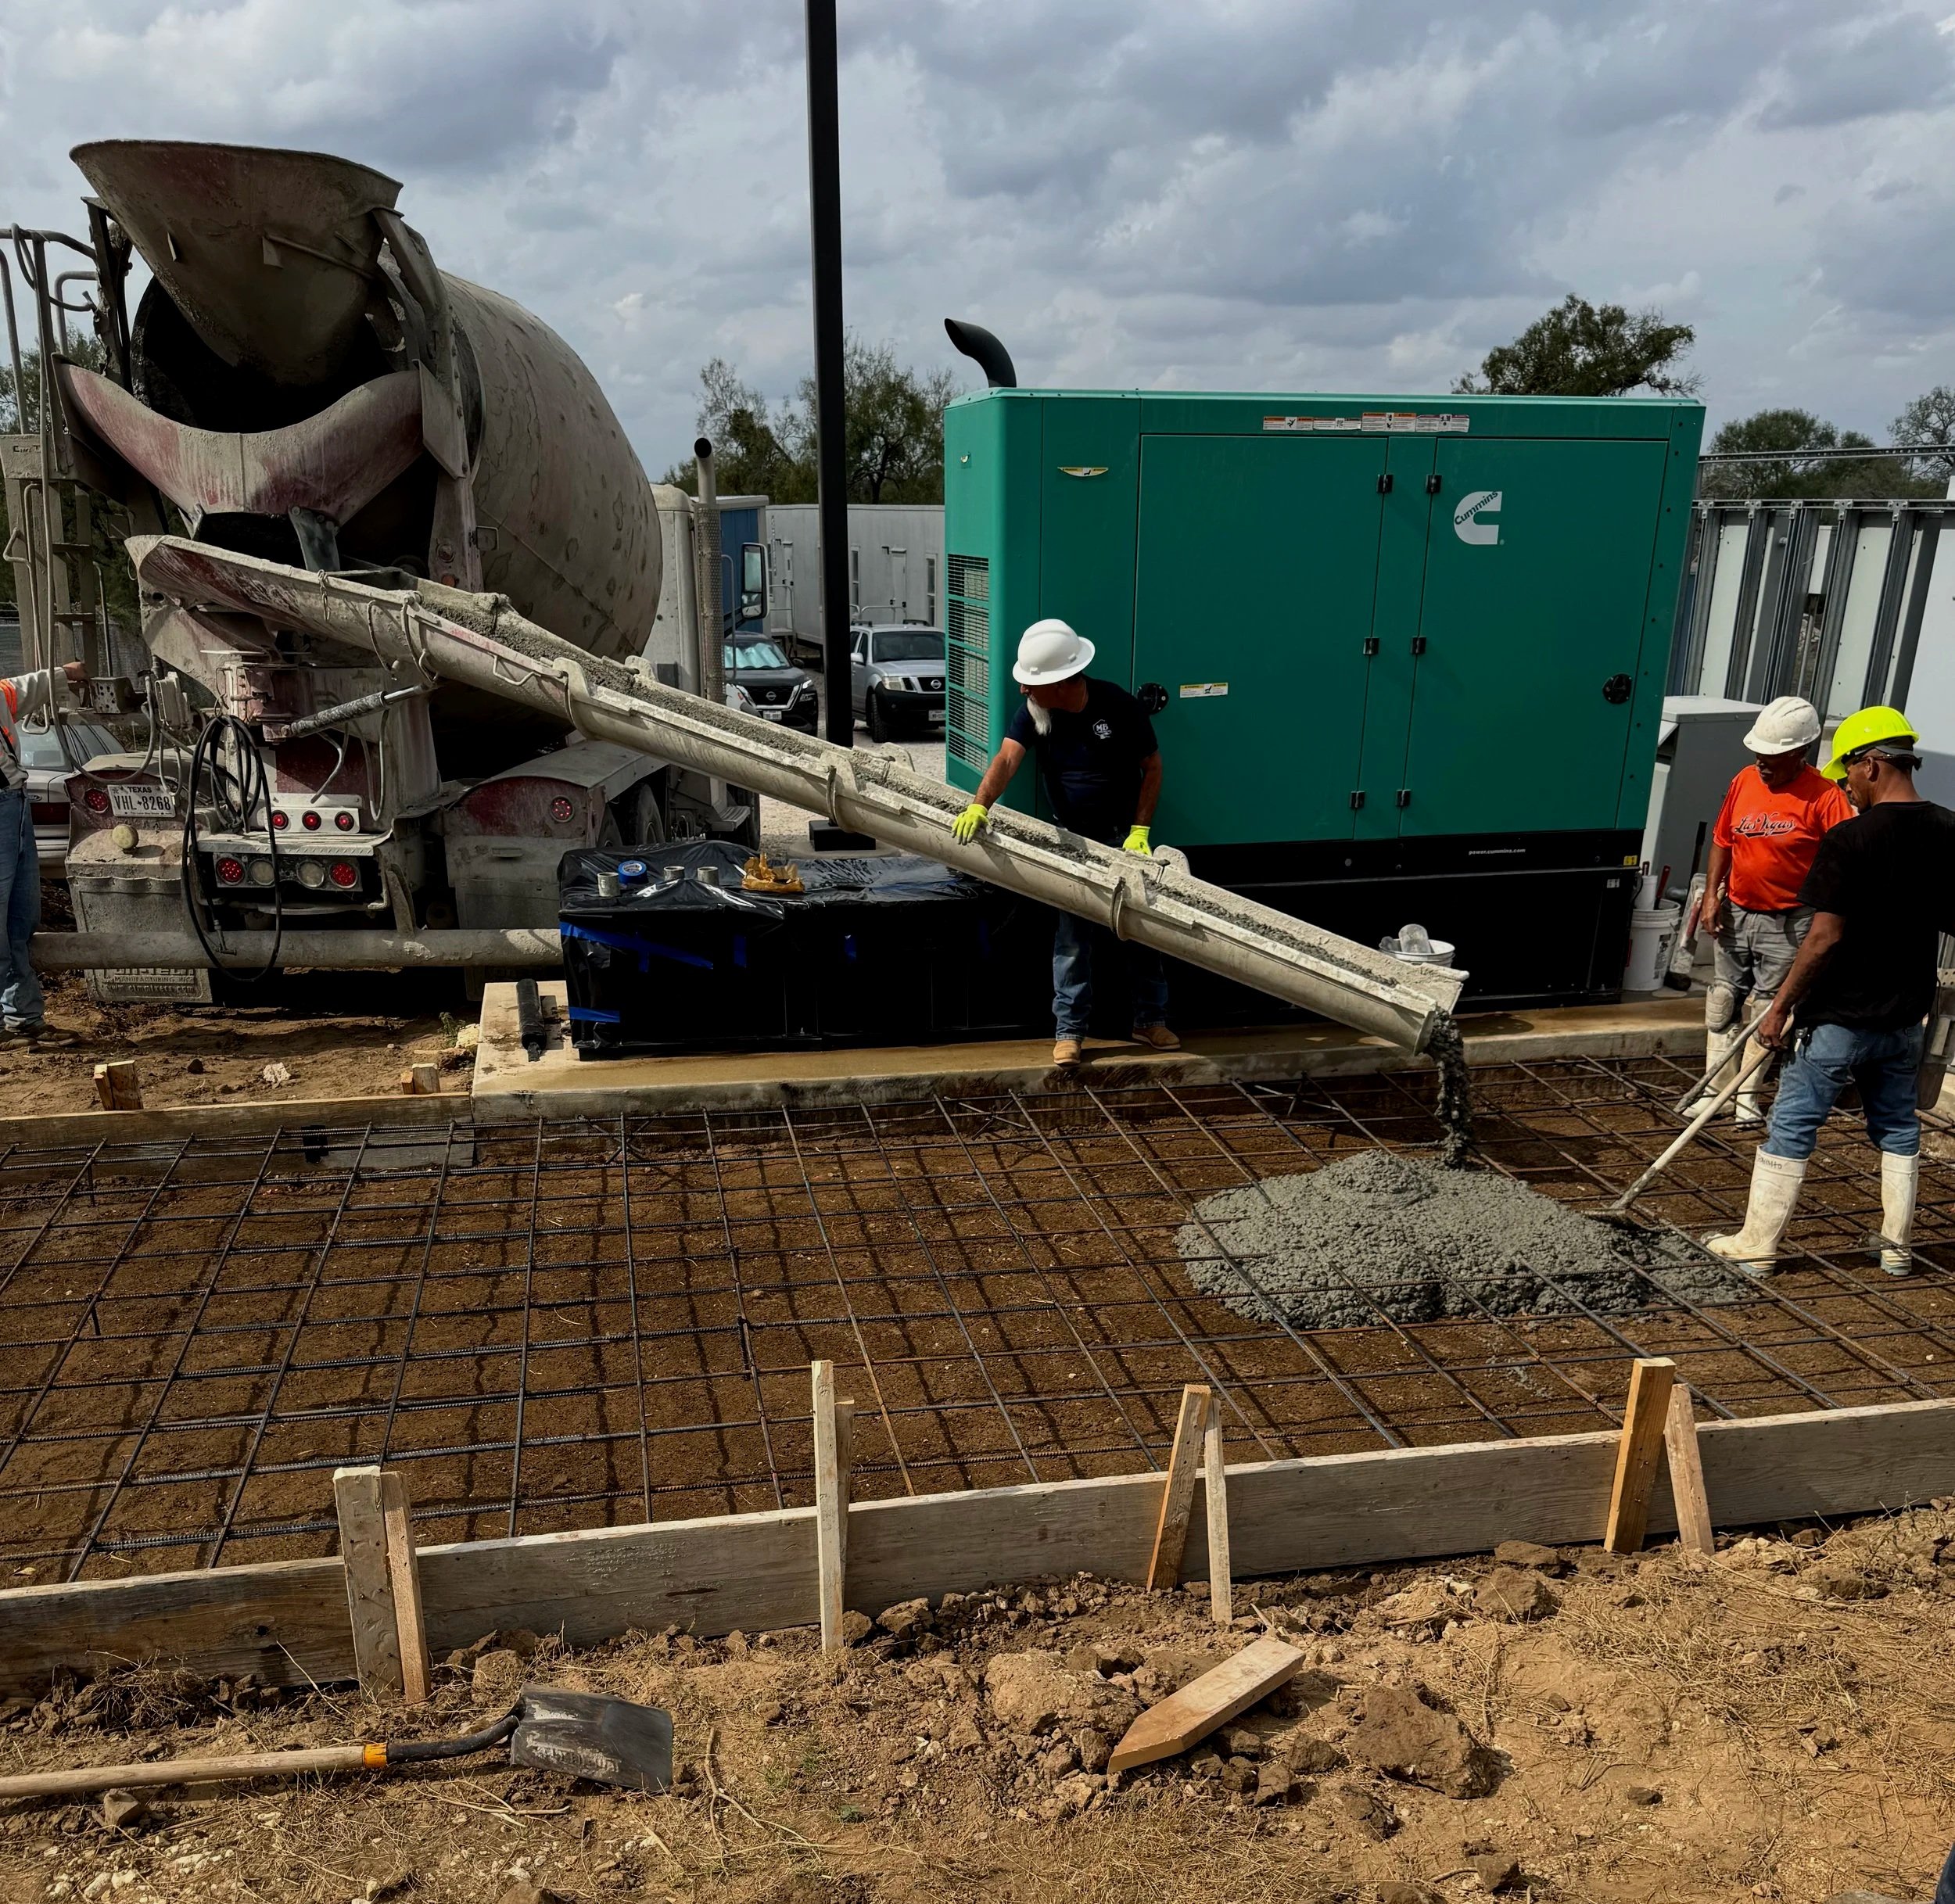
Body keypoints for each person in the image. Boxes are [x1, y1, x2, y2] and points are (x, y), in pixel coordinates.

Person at [1706, 706, 1955, 1275]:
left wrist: (1780, 1007)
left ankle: (1758, 1246)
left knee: (1792, 1124)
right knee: (1898, 1128)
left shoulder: (1850, 837)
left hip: (1840, 1017)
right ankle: (1895, 1251)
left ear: (1872, 764)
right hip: (1902, 1020)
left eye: (1849, 772)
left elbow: (1822, 937)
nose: (1845, 783)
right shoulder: (1949, 830)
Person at [952, 618, 1176, 1069]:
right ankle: (1069, 1032)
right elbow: (1007, 757)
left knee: (1142, 936)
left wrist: (1140, 832)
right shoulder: (1037, 712)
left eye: (1032, 685)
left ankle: (1149, 1020)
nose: (1023, 692)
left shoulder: (1117, 706)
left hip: (1121, 840)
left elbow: (1152, 767)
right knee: (1072, 941)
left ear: (1061, 682)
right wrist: (980, 805)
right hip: (1070, 839)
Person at [1684, 695, 1853, 1124]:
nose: (1762, 762)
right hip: (1736, 910)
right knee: (1722, 1001)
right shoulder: (1744, 780)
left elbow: (1845, 864)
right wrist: (1711, 895)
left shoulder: (1825, 798)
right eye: (1759, 753)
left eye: (1773, 756)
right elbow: (1724, 840)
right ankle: (1712, 1092)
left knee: (1765, 1008)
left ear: (1800, 753)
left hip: (1789, 920)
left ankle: (1745, 1096)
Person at [0, 658, 87, 1041]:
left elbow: (23, 688)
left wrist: (65, 674)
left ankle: (22, 1018)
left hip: (13, 805)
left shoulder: (0, 695)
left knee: (21, 918)